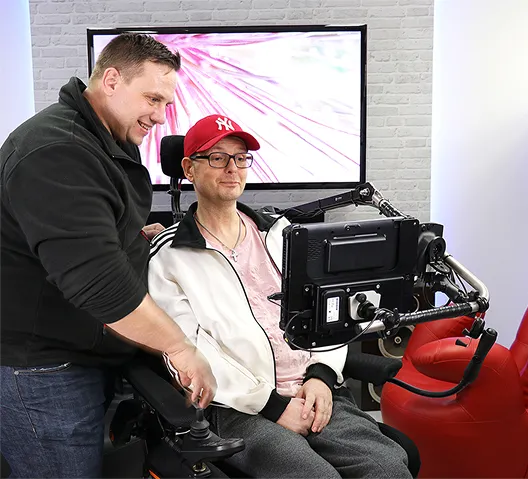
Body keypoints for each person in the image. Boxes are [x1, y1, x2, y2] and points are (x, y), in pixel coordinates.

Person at [147, 114, 413, 478]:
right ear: (189, 169)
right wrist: (271, 405)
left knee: (388, 467)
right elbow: (189, 349)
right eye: (218, 157)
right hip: (238, 407)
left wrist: (321, 374)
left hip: (313, 390)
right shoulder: (170, 255)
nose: (232, 168)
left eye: (240, 157)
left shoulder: (284, 234)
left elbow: (328, 311)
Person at [0, 34, 216, 478]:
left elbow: (86, 223)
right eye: (152, 99)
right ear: (112, 80)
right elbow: (99, 283)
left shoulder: (107, 137)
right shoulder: (57, 151)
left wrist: (132, 237)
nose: (160, 115)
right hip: (44, 368)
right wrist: (179, 347)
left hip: (86, 351)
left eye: (165, 103)